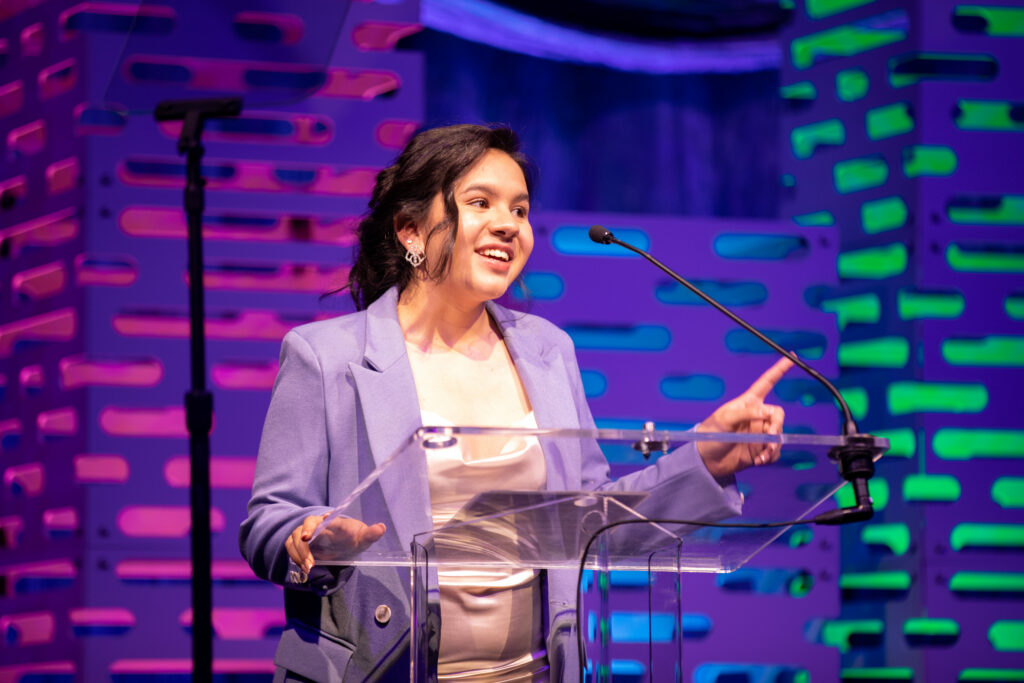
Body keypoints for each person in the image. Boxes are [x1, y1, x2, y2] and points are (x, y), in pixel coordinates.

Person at [239, 124, 791, 682]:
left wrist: (708, 459)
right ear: (410, 230)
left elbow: (594, 525)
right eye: (480, 203)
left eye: (521, 210)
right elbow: (269, 518)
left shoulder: (548, 351)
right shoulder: (326, 356)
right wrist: (310, 537)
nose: (508, 224)